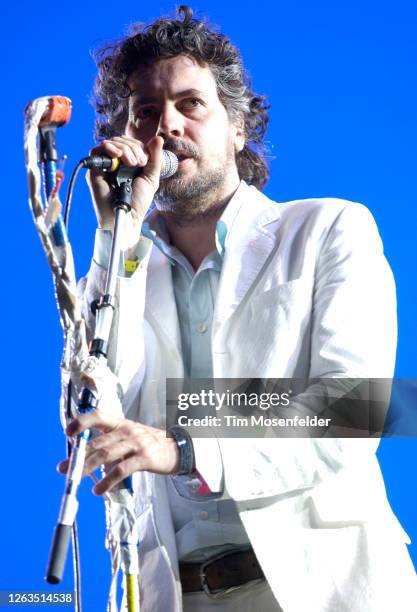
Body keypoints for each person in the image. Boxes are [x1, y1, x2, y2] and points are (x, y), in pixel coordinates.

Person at [59, 6, 417, 611]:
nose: (165, 125)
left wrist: (187, 445)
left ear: (238, 126)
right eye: (144, 111)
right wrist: (113, 235)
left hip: (320, 589)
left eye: (189, 104)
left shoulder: (328, 229)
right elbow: (92, 403)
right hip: (174, 595)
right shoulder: (120, 265)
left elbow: (356, 409)